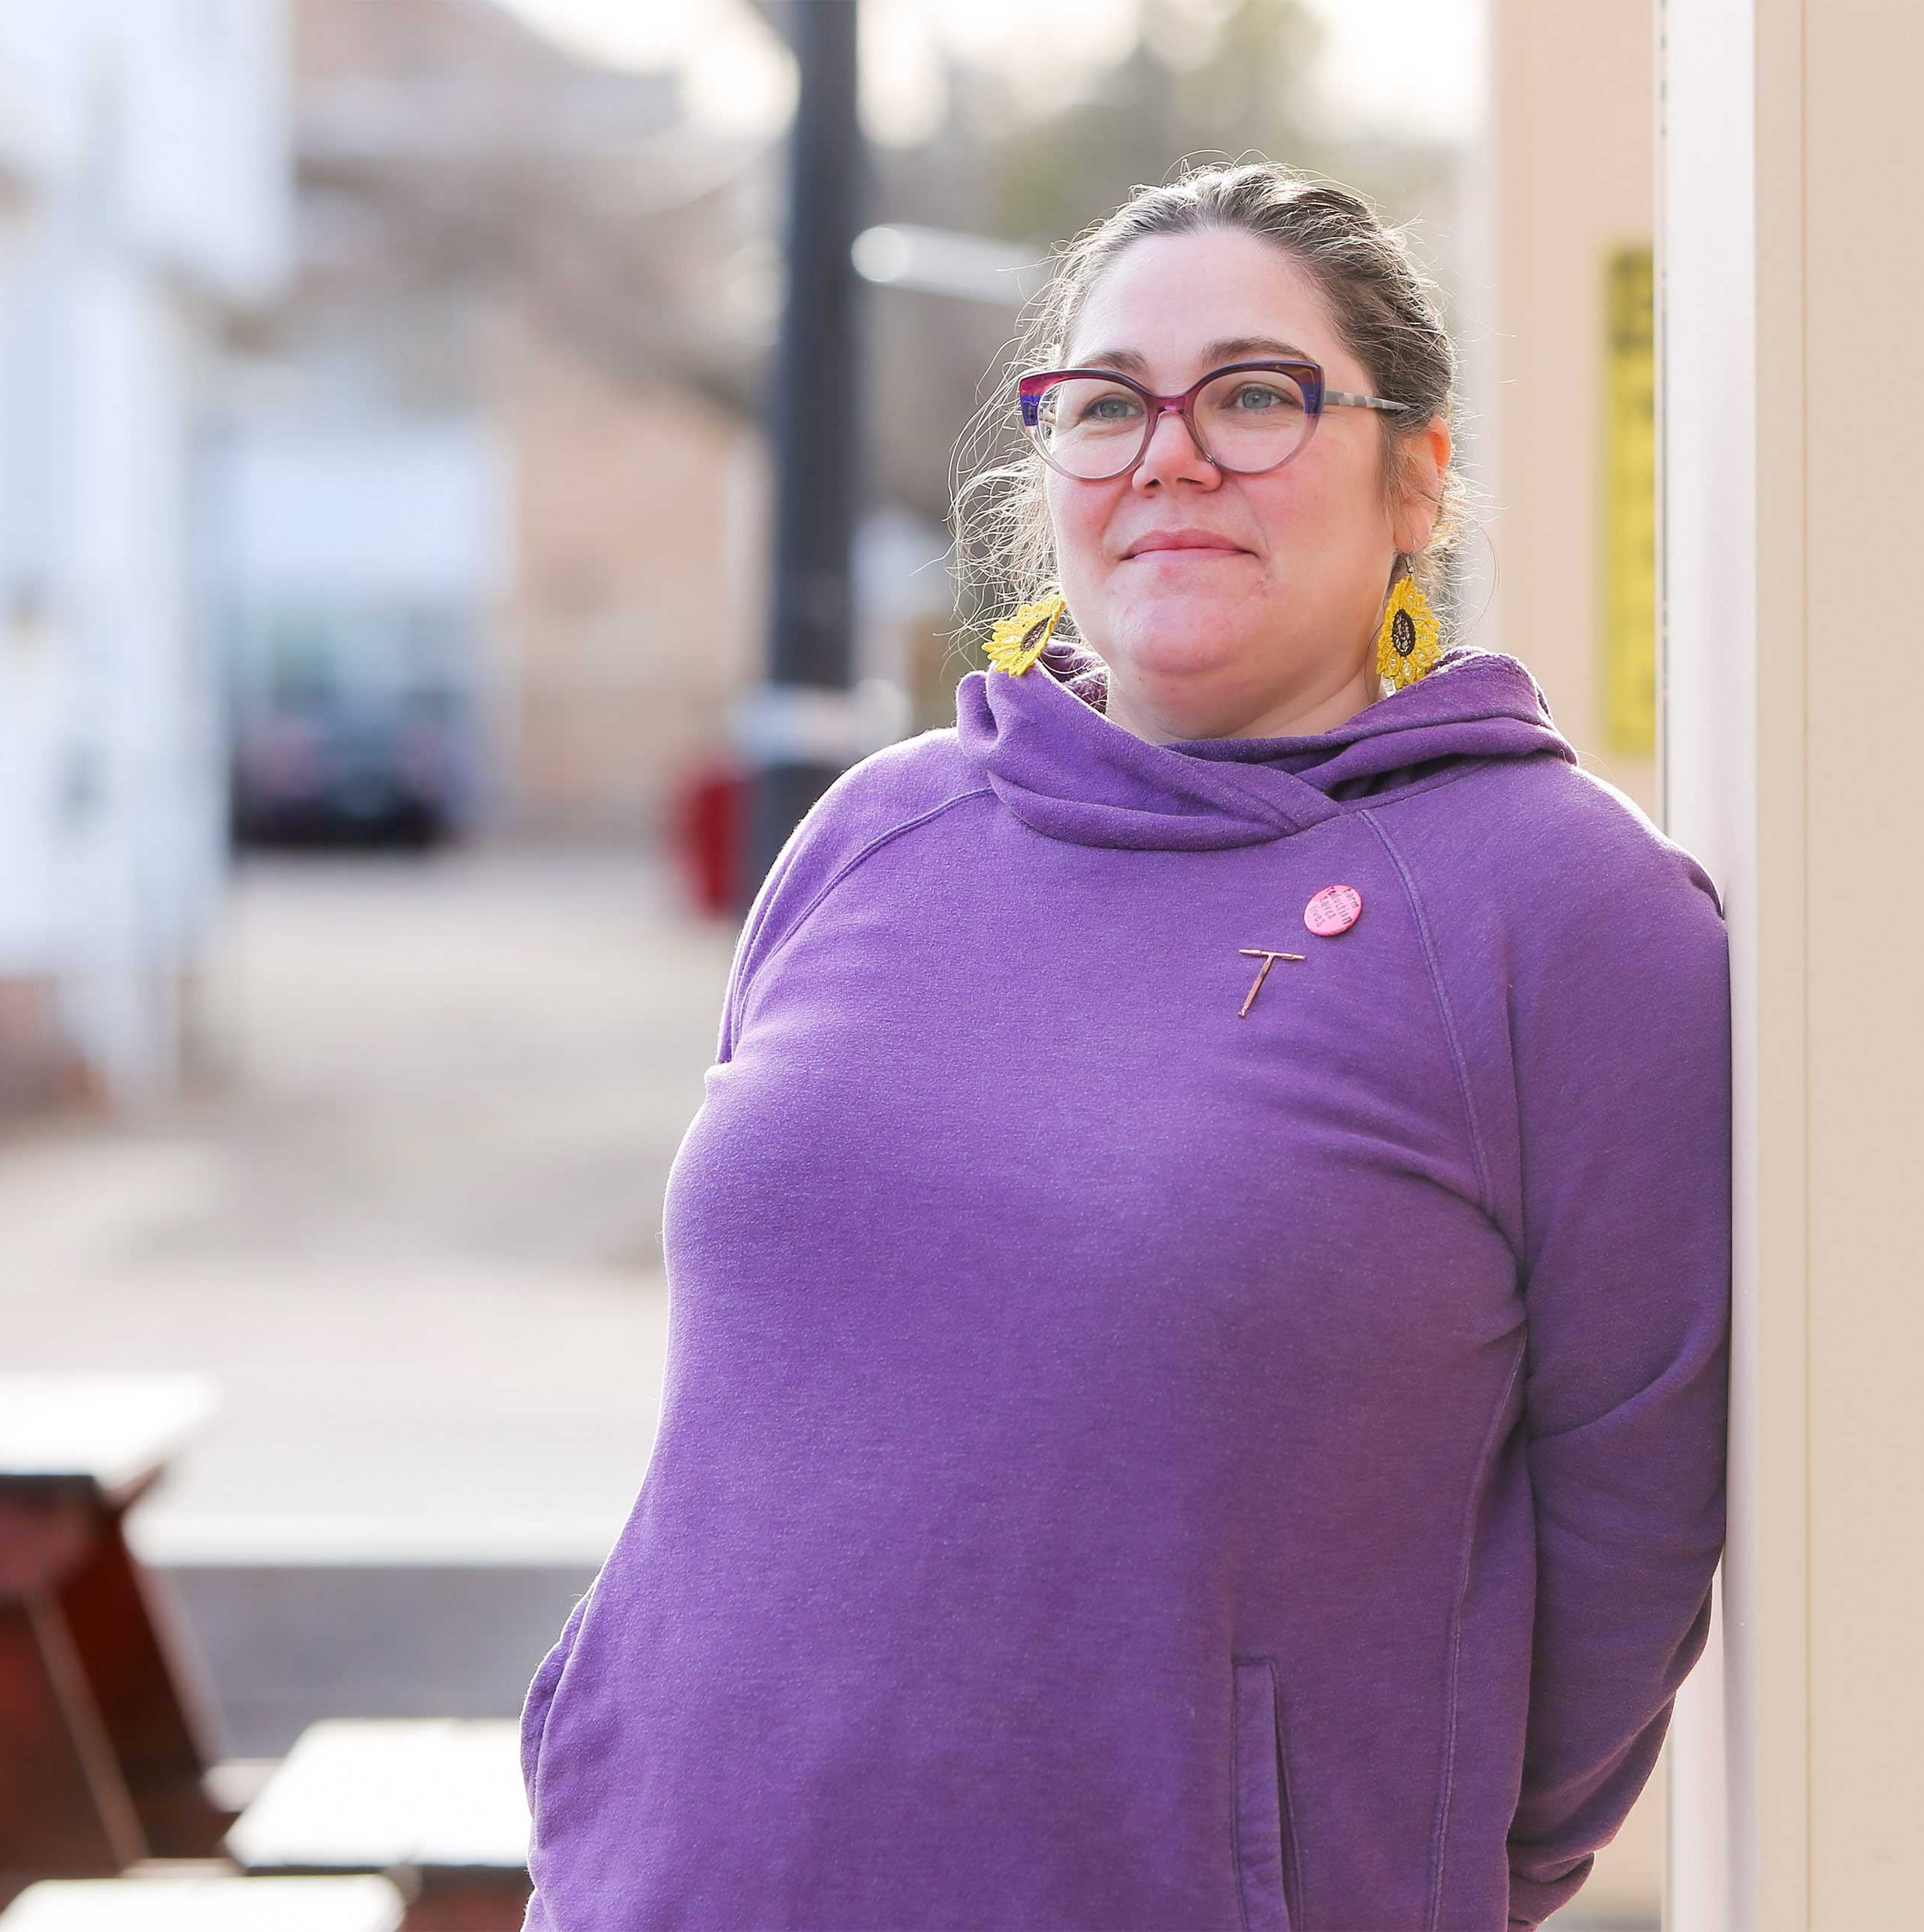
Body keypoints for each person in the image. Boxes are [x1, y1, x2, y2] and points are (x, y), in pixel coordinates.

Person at [517, 162, 1729, 1932]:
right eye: (1105, 404)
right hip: (669, 1885)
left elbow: (1638, 1508)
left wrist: (1379, 1861)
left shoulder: (1560, 910)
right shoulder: (878, 832)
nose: (1169, 455)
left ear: (1420, 474)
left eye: (1256, 393)